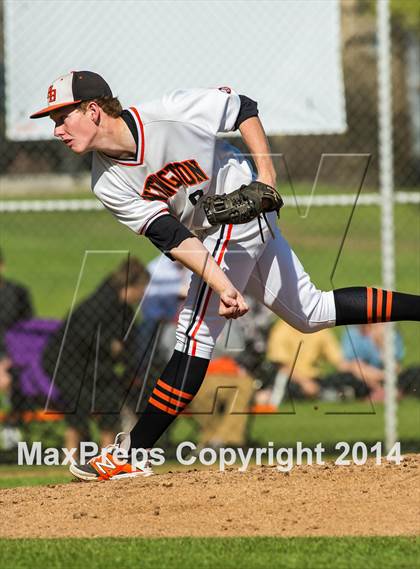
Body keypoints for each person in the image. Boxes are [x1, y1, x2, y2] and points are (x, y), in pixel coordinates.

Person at [30, 70, 420, 481]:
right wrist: (222, 284)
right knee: (311, 312)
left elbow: (243, 109)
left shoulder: (170, 113)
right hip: (209, 232)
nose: (57, 130)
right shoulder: (106, 182)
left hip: (243, 203)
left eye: (63, 117)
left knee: (193, 335)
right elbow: (172, 235)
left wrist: (267, 178)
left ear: (93, 110)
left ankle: (134, 452)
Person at [42, 258, 149, 456]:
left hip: (92, 365)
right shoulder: (101, 302)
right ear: (131, 286)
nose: (143, 294)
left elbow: (130, 345)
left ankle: (107, 456)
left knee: (109, 401)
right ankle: (71, 457)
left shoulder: (124, 310)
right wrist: (110, 345)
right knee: (78, 405)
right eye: (142, 289)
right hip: (63, 362)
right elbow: (82, 333)